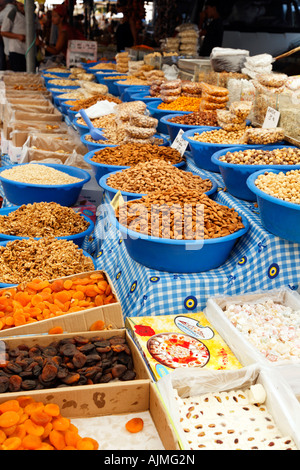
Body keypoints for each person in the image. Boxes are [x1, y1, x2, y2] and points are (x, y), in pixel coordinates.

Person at [1, 0, 26, 71]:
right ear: (16, 3)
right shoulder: (13, 13)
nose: (23, 8)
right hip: (16, 51)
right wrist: (18, 36)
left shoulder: (31, 15)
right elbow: (3, 32)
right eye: (21, 6)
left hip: (28, 51)